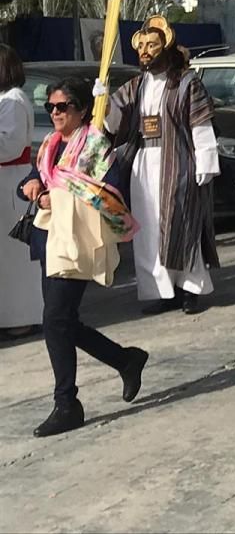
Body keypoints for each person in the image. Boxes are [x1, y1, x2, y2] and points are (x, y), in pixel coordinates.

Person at [19, 77, 146, 437]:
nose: (56, 113)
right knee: (61, 321)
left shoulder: (96, 146)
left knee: (55, 318)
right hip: (49, 241)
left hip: (78, 242)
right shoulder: (49, 145)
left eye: (63, 107)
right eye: (51, 107)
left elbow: (111, 194)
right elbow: (34, 179)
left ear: (82, 109)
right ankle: (125, 359)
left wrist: (59, 196)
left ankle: (66, 403)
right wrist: (31, 188)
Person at [105, 15, 220, 314]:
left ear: (165, 47)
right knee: (149, 231)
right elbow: (114, 122)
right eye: (141, 46)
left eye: (151, 46)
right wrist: (102, 102)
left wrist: (205, 161)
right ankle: (161, 291)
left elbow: (201, 124)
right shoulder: (135, 85)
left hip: (178, 162)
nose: (145, 51)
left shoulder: (186, 83)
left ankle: (190, 290)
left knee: (181, 225)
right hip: (143, 165)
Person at [0, 46, 41, 339]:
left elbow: (9, 145)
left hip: (10, 180)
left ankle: (21, 317)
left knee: (14, 255)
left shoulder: (12, 101)